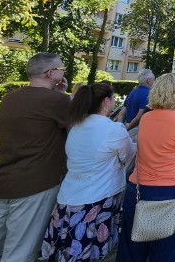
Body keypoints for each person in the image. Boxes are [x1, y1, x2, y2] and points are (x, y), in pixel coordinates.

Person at [0, 53, 70, 262]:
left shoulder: (9, 98)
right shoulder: (58, 101)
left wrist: (57, 93)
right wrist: (60, 95)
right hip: (35, 185)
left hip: (0, 181)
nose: (63, 71)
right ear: (51, 73)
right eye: (60, 68)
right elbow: (76, 131)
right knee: (20, 250)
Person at [40, 82, 136, 261]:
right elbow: (128, 155)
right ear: (106, 101)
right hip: (98, 198)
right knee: (86, 249)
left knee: (66, 248)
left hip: (69, 195)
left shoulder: (76, 126)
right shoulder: (114, 129)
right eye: (113, 98)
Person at [117, 73, 175, 262]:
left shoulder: (147, 118)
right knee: (166, 247)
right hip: (169, 190)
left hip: (138, 188)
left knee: (132, 247)